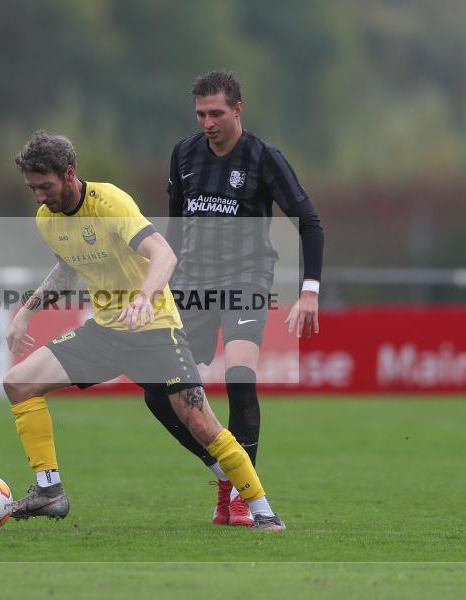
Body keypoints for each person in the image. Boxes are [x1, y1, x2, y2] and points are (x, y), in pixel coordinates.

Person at [2, 129, 285, 531]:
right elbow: (67, 269)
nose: (38, 196)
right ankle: (50, 491)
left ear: (69, 173)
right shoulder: (47, 219)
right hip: (105, 333)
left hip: (155, 329)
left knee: (201, 423)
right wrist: (25, 314)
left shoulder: (110, 202)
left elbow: (163, 254)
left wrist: (144, 298)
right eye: (32, 188)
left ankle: (264, 511)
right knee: (18, 383)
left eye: (44, 186)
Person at [144, 70, 325, 526]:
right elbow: (174, 229)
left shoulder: (264, 158)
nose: (208, 123)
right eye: (201, 114)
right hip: (191, 287)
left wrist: (309, 291)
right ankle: (226, 475)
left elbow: (309, 223)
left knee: (240, 378)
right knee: (157, 391)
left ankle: (244, 497)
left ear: (238, 110)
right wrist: (159, 285)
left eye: (217, 113)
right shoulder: (183, 154)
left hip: (246, 281)